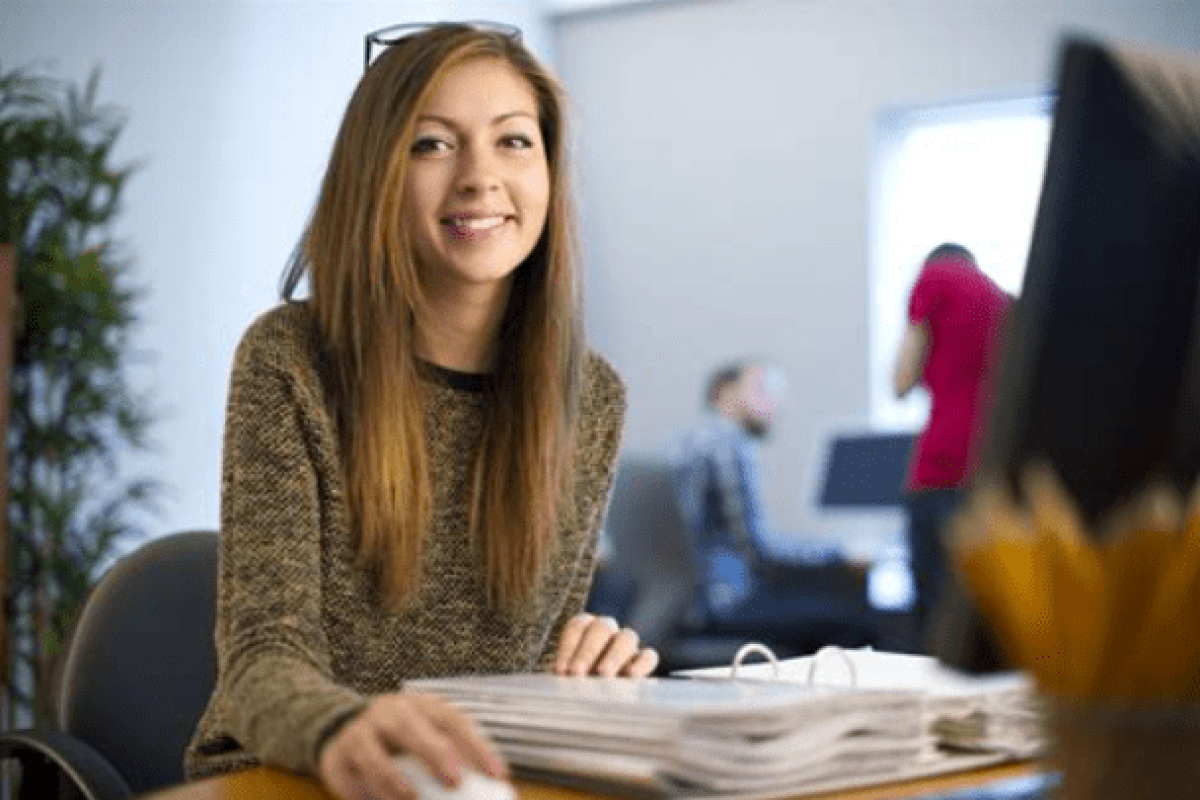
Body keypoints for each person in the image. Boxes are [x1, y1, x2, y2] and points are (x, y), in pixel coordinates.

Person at [184, 22, 657, 800]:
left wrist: (581, 675)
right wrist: (345, 725)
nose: (479, 177)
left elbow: (522, 665)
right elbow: (264, 654)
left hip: (467, 783)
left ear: (548, 170)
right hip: (292, 776)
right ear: (377, 173)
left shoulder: (591, 398)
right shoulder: (290, 358)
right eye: (433, 145)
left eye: (513, 142)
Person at [671, 361, 876, 653]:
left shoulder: (687, 441)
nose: (773, 403)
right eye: (761, 390)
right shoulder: (728, 445)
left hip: (688, 602)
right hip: (727, 602)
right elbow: (760, 548)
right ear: (724, 391)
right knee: (859, 622)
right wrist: (840, 553)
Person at [893, 243, 1013, 651]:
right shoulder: (1002, 300)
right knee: (977, 619)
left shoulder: (935, 278)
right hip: (989, 468)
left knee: (932, 622)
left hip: (940, 468)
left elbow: (901, 380)